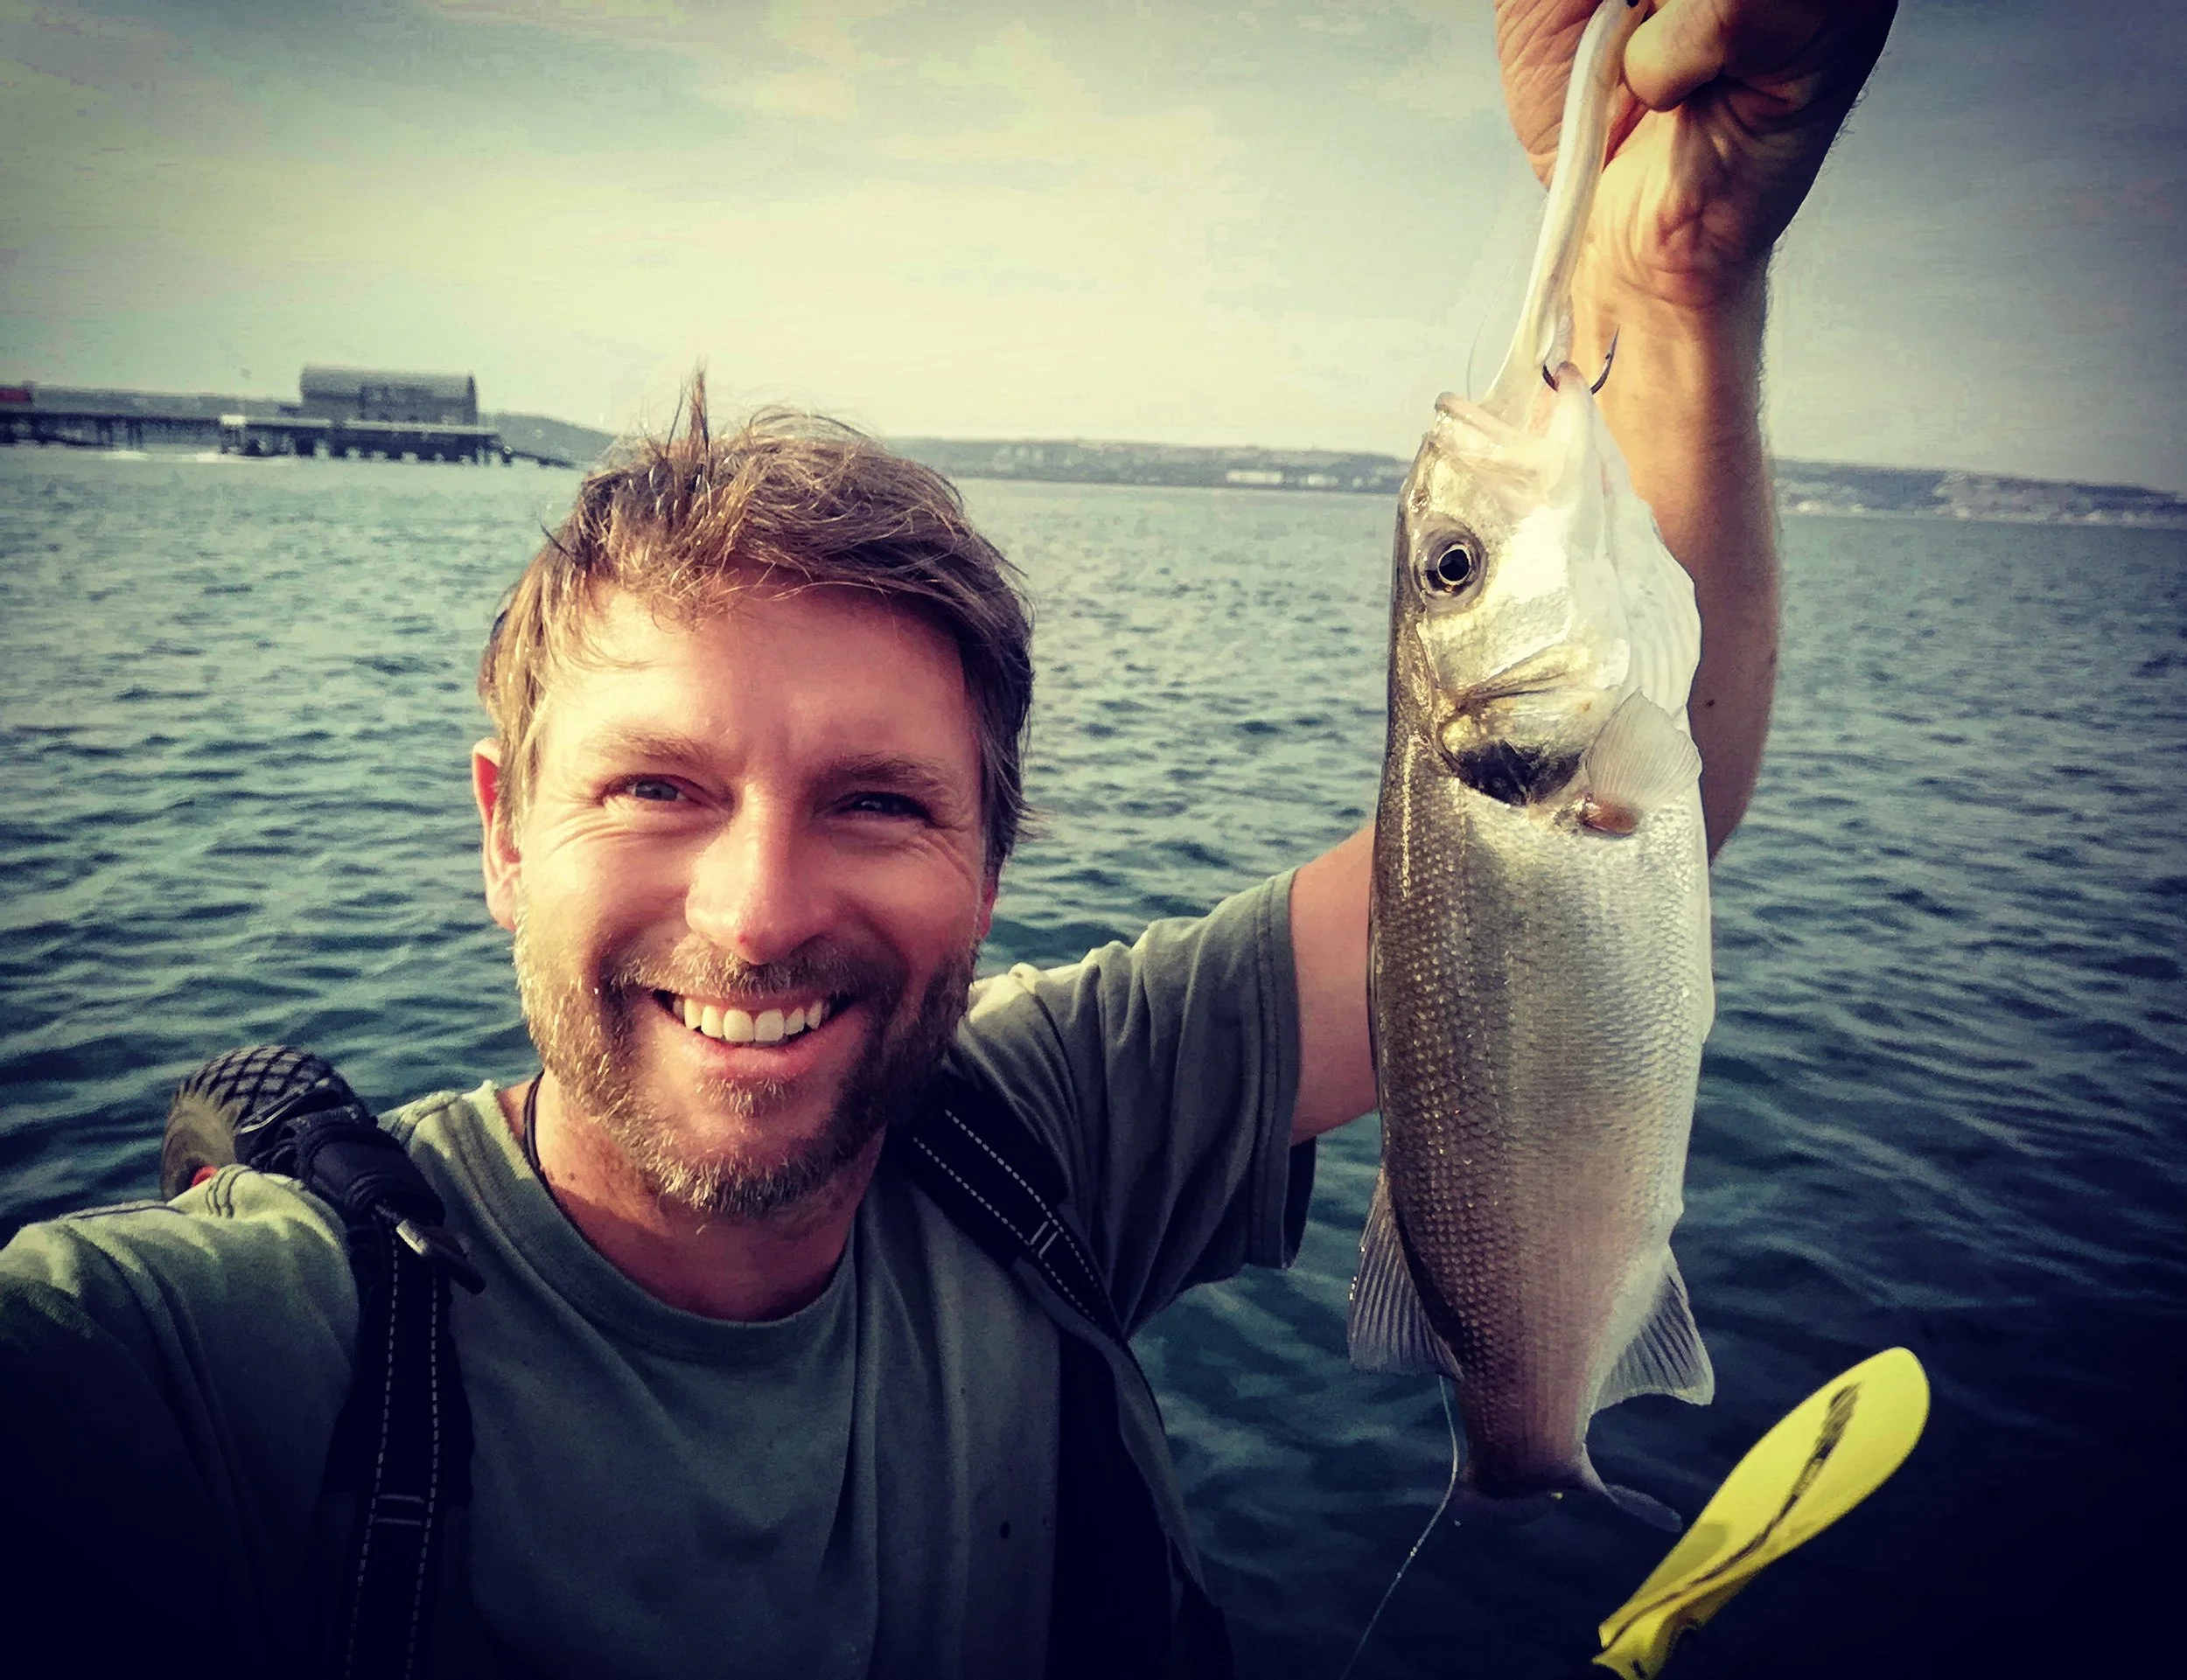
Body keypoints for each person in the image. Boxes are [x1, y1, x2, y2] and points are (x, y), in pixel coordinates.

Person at [0, 1, 1894, 1673]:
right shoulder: (217, 1352)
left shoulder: (1037, 1134)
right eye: (656, 786)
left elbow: (1611, 850)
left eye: (880, 802)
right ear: (500, 833)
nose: (752, 914)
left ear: (995, 853)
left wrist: (1674, 270)